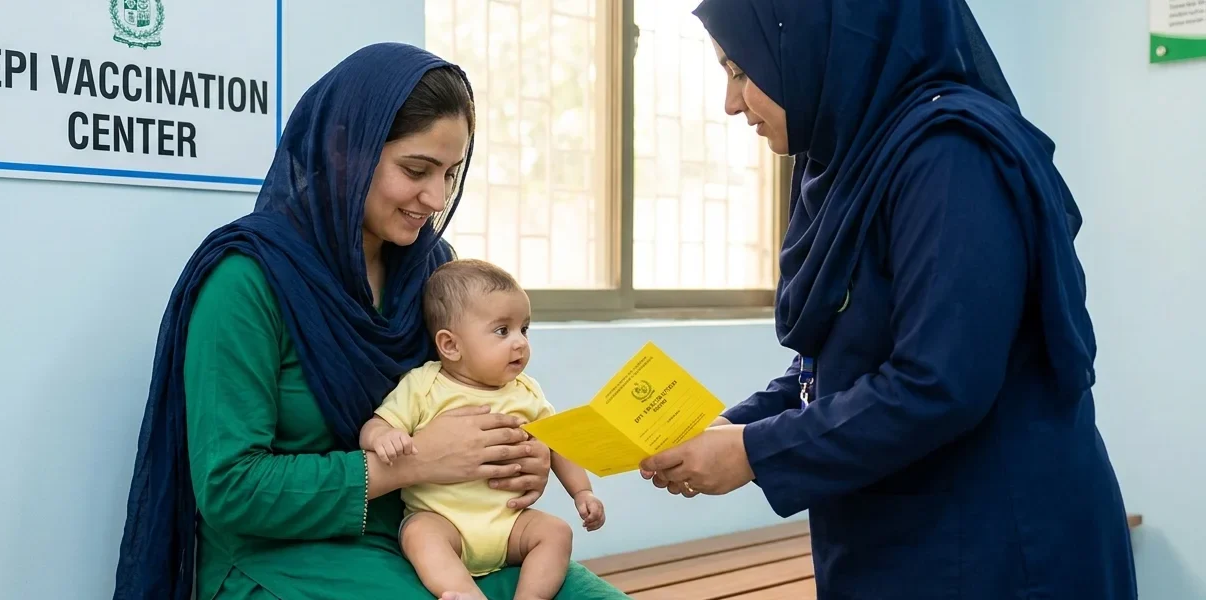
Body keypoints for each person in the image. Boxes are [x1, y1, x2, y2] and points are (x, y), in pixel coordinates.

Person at [637, 1, 1138, 599]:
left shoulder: (950, 156)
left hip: (992, 547)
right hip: (897, 539)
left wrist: (754, 453)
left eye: (742, 71)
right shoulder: (851, 160)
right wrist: (735, 425)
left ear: (814, 42)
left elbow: (939, 380)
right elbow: (837, 357)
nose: (731, 102)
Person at [111, 43, 629, 600]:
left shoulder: (430, 270)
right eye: (416, 170)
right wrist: (414, 463)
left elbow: (462, 393)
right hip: (280, 558)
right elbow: (229, 488)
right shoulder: (248, 281)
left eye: (451, 174)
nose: (435, 197)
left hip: (435, 541)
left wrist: (518, 458)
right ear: (344, 149)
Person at [361, 258, 607, 600]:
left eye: (525, 329)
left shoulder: (527, 391)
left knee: (556, 532)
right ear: (450, 345)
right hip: (445, 522)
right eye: (502, 331)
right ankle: (465, 593)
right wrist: (384, 437)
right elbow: (377, 424)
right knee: (418, 534)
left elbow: (557, 443)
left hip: (509, 525)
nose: (520, 342)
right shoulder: (424, 385)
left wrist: (583, 492)